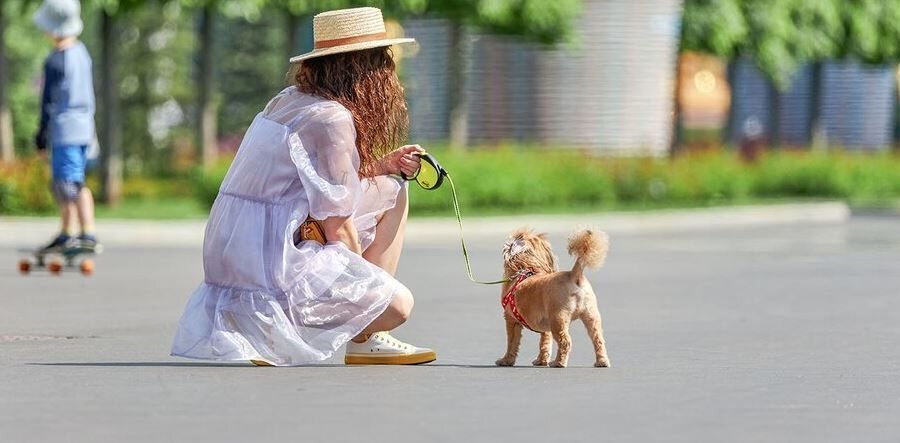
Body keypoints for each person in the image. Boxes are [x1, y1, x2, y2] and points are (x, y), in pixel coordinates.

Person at [171, 7, 436, 366]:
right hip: (272, 264)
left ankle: (360, 334)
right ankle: (366, 334)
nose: (390, 73)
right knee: (398, 305)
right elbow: (338, 227)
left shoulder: (288, 100)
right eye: (383, 61)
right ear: (363, 69)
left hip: (236, 253)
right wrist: (362, 292)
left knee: (392, 187)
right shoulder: (332, 118)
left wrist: (382, 167)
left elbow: (306, 184)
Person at [33, 0, 98, 253]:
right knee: (76, 179)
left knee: (66, 184)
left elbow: (48, 102)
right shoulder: (83, 53)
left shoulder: (55, 61)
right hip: (85, 129)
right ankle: (70, 232)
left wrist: (41, 135)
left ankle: (82, 233)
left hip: (65, 131)